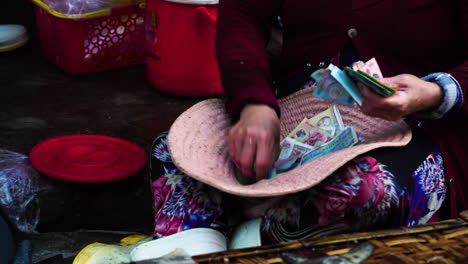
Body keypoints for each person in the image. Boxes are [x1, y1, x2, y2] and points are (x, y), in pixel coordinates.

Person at [148, 0, 465, 246]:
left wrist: (435, 92)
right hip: (299, 106)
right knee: (173, 153)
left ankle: (254, 239)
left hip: (422, 123)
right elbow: (244, 13)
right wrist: (255, 104)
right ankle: (205, 245)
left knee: (364, 191)